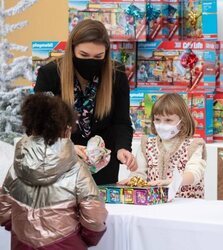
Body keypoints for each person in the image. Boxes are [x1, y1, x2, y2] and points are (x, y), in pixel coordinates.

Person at [34, 19, 137, 185]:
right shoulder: (50, 74)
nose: (91, 61)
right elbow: (39, 127)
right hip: (59, 167)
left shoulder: (116, 75)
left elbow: (121, 121)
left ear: (106, 53)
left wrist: (123, 148)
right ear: (72, 49)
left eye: (98, 57)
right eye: (84, 55)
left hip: (103, 167)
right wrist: (66, 147)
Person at [0, 93, 107, 250]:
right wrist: (85, 238)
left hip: (22, 244)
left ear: (31, 126)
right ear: (67, 130)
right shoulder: (77, 168)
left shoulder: (17, 167)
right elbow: (95, 216)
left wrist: (20, 229)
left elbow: (4, 209)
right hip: (67, 243)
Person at [119, 93, 206, 198]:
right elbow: (139, 173)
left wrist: (173, 181)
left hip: (186, 205)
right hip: (156, 204)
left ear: (182, 121)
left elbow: (194, 174)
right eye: (157, 119)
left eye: (168, 120)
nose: (162, 124)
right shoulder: (146, 145)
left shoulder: (194, 146)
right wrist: (133, 180)